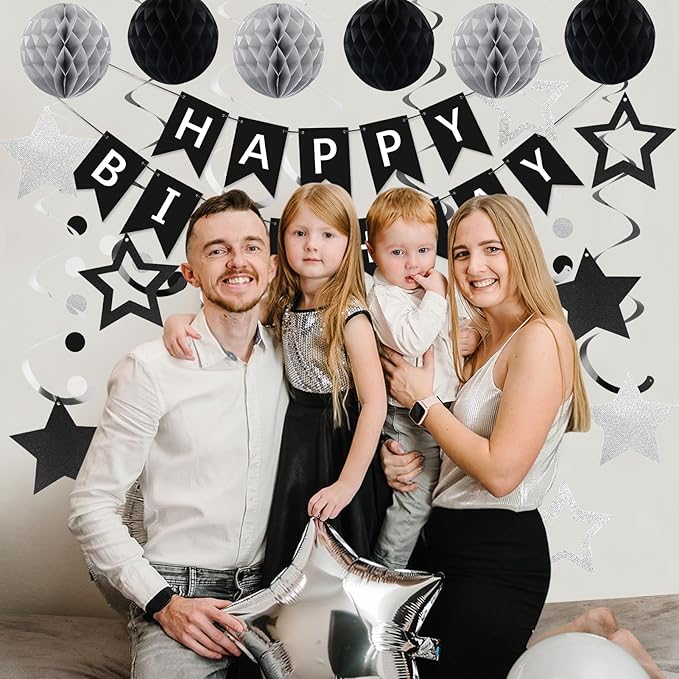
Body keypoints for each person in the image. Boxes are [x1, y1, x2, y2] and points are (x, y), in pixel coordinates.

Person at [68, 190, 289, 679]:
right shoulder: (149, 369)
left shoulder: (293, 358)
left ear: (272, 266)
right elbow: (90, 505)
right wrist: (163, 603)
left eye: (252, 247)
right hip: (180, 592)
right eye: (217, 250)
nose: (237, 261)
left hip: (275, 593)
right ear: (190, 274)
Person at [379, 194, 590, 679]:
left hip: (497, 554)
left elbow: (500, 472)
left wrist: (423, 404)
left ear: (520, 250)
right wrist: (398, 458)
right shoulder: (475, 339)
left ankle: (585, 640)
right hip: (441, 541)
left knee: (445, 669)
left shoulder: (542, 336)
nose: (474, 267)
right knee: (417, 665)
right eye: (461, 253)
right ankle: (572, 637)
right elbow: (452, 445)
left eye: (492, 249)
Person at [163, 183, 389, 587]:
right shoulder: (280, 303)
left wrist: (347, 484)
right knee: (291, 539)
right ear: (281, 240)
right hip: (295, 437)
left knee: (336, 548)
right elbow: (226, 316)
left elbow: (374, 403)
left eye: (328, 234)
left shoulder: (350, 316)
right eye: (299, 233)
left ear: (349, 243)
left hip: (339, 439)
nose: (312, 245)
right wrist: (177, 321)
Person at [364, 187, 480, 568]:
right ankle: (384, 572)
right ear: (372, 251)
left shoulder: (428, 288)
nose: (413, 264)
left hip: (441, 406)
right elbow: (412, 338)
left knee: (445, 492)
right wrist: (438, 297)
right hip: (408, 417)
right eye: (397, 253)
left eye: (424, 250)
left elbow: (444, 333)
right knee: (415, 497)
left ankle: (429, 571)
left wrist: (460, 336)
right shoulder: (385, 296)